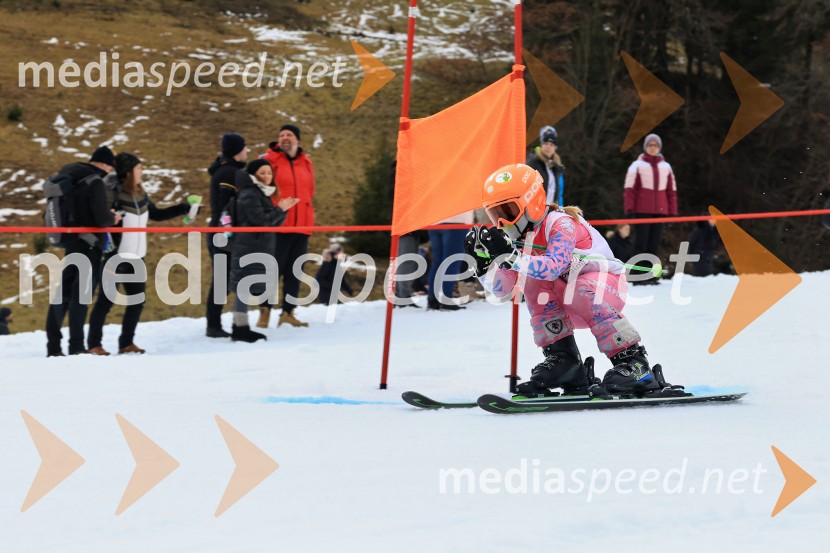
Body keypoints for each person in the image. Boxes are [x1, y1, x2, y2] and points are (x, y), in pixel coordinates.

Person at [464, 163, 680, 397]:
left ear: (531, 202)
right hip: (571, 301)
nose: (503, 223)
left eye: (508, 212)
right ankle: (565, 362)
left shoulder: (560, 222)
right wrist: (486, 266)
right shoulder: (518, 239)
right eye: (495, 215)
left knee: (576, 286)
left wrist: (514, 257)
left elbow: (554, 265)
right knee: (533, 285)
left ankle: (635, 364)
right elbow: (502, 291)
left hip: (605, 289)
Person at [86, 153, 192, 355]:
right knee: (105, 301)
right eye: (138, 168)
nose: (142, 171)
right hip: (115, 257)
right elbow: (102, 217)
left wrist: (182, 208)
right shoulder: (111, 192)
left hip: (137, 257)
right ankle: (94, 344)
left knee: (137, 301)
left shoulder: (140, 193)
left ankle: (126, 343)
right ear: (128, 172)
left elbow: (156, 214)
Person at [45, 146, 120, 357]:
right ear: (105, 164)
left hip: (71, 241)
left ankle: (53, 346)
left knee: (63, 292)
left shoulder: (68, 174)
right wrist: (112, 218)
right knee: (81, 295)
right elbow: (101, 218)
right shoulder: (94, 181)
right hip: (89, 244)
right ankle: (76, 346)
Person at [227, 159, 298, 342]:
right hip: (249, 245)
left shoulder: (260, 193)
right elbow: (260, 220)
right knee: (244, 287)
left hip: (257, 245)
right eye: (262, 172)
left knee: (247, 286)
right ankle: (240, 328)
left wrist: (283, 210)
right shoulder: (250, 193)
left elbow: (272, 223)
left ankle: (239, 327)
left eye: (269, 173)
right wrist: (280, 209)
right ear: (253, 174)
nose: (267, 176)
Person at [261, 124, 316, 327]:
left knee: (295, 271)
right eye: (282, 135)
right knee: (273, 270)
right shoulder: (269, 160)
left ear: (297, 140)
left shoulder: (306, 162)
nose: (285, 138)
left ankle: (288, 313)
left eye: (289, 135)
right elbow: (261, 190)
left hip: (302, 226)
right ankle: (264, 311)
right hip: (278, 225)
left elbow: (311, 191)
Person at [206, 133, 249, 338]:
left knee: (223, 280)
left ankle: (214, 324)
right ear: (237, 150)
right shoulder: (229, 173)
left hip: (221, 231)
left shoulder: (227, 170)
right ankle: (213, 326)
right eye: (245, 147)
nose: (247, 151)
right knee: (222, 281)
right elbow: (227, 204)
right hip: (224, 234)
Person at [623, 133, 678, 273]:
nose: (653, 148)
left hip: (660, 211)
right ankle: (637, 273)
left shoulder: (666, 167)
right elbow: (630, 189)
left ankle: (650, 274)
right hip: (642, 210)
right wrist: (629, 210)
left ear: (659, 147)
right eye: (650, 145)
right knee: (641, 243)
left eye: (655, 145)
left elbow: (671, 191)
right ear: (645, 147)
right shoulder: (637, 165)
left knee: (654, 244)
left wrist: (672, 213)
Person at [426, 211, 472, 311]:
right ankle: (446, 297)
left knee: (438, 262)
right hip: (457, 220)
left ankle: (432, 299)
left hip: (434, 220)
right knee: (452, 261)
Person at [526, 125, 565, 205]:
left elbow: (559, 193)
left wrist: (560, 208)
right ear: (541, 145)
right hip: (536, 208)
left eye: (551, 145)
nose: (548, 147)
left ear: (555, 147)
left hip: (551, 210)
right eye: (546, 143)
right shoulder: (533, 162)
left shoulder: (557, 167)